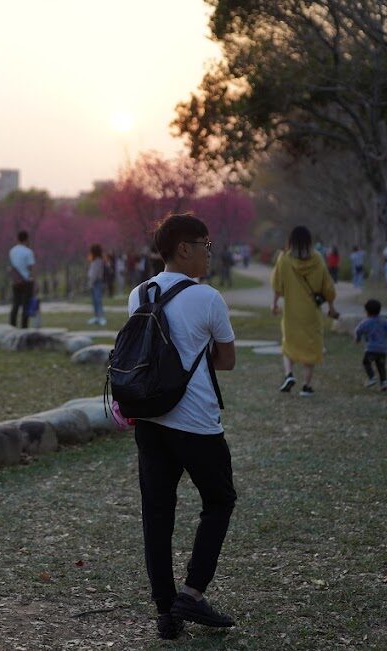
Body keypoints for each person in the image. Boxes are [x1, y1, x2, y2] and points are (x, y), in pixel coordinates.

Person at [127, 213, 238, 639]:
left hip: (150, 420)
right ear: (184, 249)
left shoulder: (139, 293)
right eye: (205, 244)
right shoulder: (208, 298)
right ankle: (191, 594)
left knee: (157, 515)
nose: (209, 253)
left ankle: (165, 612)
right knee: (219, 499)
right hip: (195, 423)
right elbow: (226, 360)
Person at [271, 226, 338, 397]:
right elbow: (328, 286)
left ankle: (289, 375)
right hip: (311, 313)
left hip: (292, 311)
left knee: (288, 344)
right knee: (311, 347)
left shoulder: (284, 259)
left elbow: (277, 284)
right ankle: (306, 386)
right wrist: (331, 307)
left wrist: (274, 303)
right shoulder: (318, 259)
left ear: (291, 240)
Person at [354, 299, 387, 391]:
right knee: (381, 365)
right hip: (383, 349)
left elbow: (358, 330)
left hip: (371, 349)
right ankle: (384, 382)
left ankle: (372, 377)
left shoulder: (366, 322)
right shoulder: (384, 321)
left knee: (366, 362)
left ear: (367, 311)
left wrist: (358, 338)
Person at [8, 230, 36, 329]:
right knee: (26, 305)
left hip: (16, 280)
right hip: (26, 281)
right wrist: (34, 281)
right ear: (27, 239)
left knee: (15, 304)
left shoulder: (12, 251)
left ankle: (12, 325)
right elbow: (31, 267)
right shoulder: (28, 252)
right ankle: (24, 327)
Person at [87, 243, 108, 326]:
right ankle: (96, 317)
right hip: (94, 282)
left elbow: (95, 273)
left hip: (96, 282)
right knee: (94, 301)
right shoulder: (94, 260)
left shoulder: (98, 261)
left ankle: (101, 317)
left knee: (98, 300)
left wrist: (91, 282)